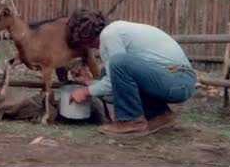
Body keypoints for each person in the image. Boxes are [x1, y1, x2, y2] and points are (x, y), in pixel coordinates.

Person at [66, 8, 197, 136]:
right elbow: (117, 83)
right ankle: (159, 115)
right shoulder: (117, 30)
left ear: (86, 37)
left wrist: (86, 91)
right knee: (109, 70)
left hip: (178, 81)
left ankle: (130, 121)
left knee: (118, 63)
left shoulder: (110, 34)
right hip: (177, 80)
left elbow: (113, 80)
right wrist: (90, 84)